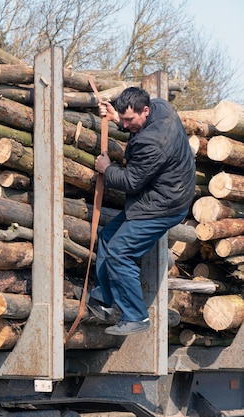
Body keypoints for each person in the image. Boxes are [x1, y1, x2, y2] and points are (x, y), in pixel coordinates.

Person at [85, 86, 196, 336]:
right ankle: (107, 297)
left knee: (119, 253)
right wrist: (116, 118)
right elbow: (137, 127)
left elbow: (131, 182)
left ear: (145, 110)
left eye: (129, 120)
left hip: (164, 206)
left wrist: (106, 168)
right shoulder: (160, 107)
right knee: (108, 237)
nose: (125, 125)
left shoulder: (152, 142)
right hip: (161, 195)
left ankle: (136, 316)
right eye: (123, 119)